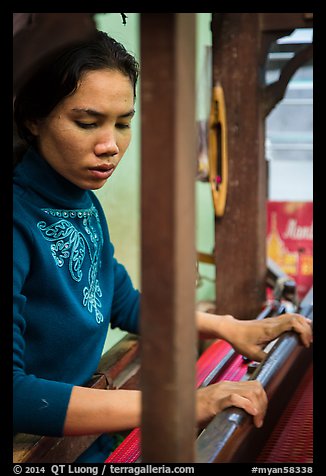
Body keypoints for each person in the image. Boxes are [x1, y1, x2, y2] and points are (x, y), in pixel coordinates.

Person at [13, 29, 313, 463]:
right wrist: (180, 405)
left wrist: (229, 327)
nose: (110, 145)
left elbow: (125, 305)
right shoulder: (19, 218)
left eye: (123, 123)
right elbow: (17, 395)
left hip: (82, 443)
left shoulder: (82, 203)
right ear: (34, 120)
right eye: (87, 122)